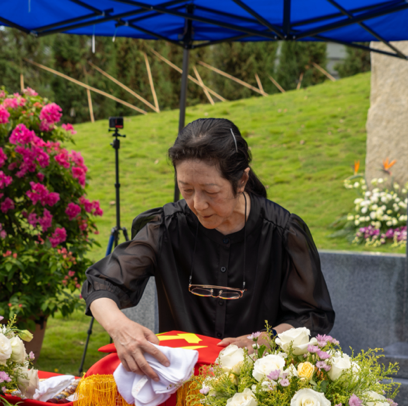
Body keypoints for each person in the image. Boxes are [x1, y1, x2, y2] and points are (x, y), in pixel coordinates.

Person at [81, 118, 335, 380]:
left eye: (210, 191)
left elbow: (311, 317)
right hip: (180, 382)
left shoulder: (282, 232)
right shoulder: (167, 227)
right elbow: (101, 283)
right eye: (186, 189)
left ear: (242, 180)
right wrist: (120, 328)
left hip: (259, 387)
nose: (198, 204)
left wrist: (265, 340)